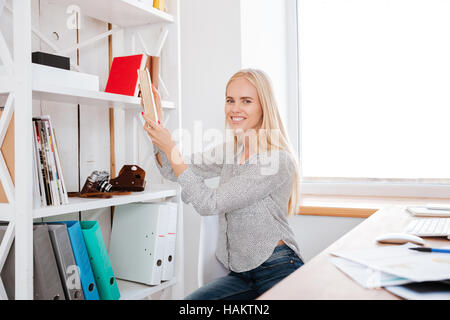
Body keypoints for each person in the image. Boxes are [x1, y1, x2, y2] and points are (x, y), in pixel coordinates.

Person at [142, 68, 303, 300]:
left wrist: (171, 148)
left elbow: (209, 203)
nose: (235, 108)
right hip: (240, 275)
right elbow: (173, 168)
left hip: (277, 268)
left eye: (246, 101)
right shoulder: (230, 151)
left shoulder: (276, 160)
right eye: (230, 100)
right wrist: (157, 124)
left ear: (263, 107)